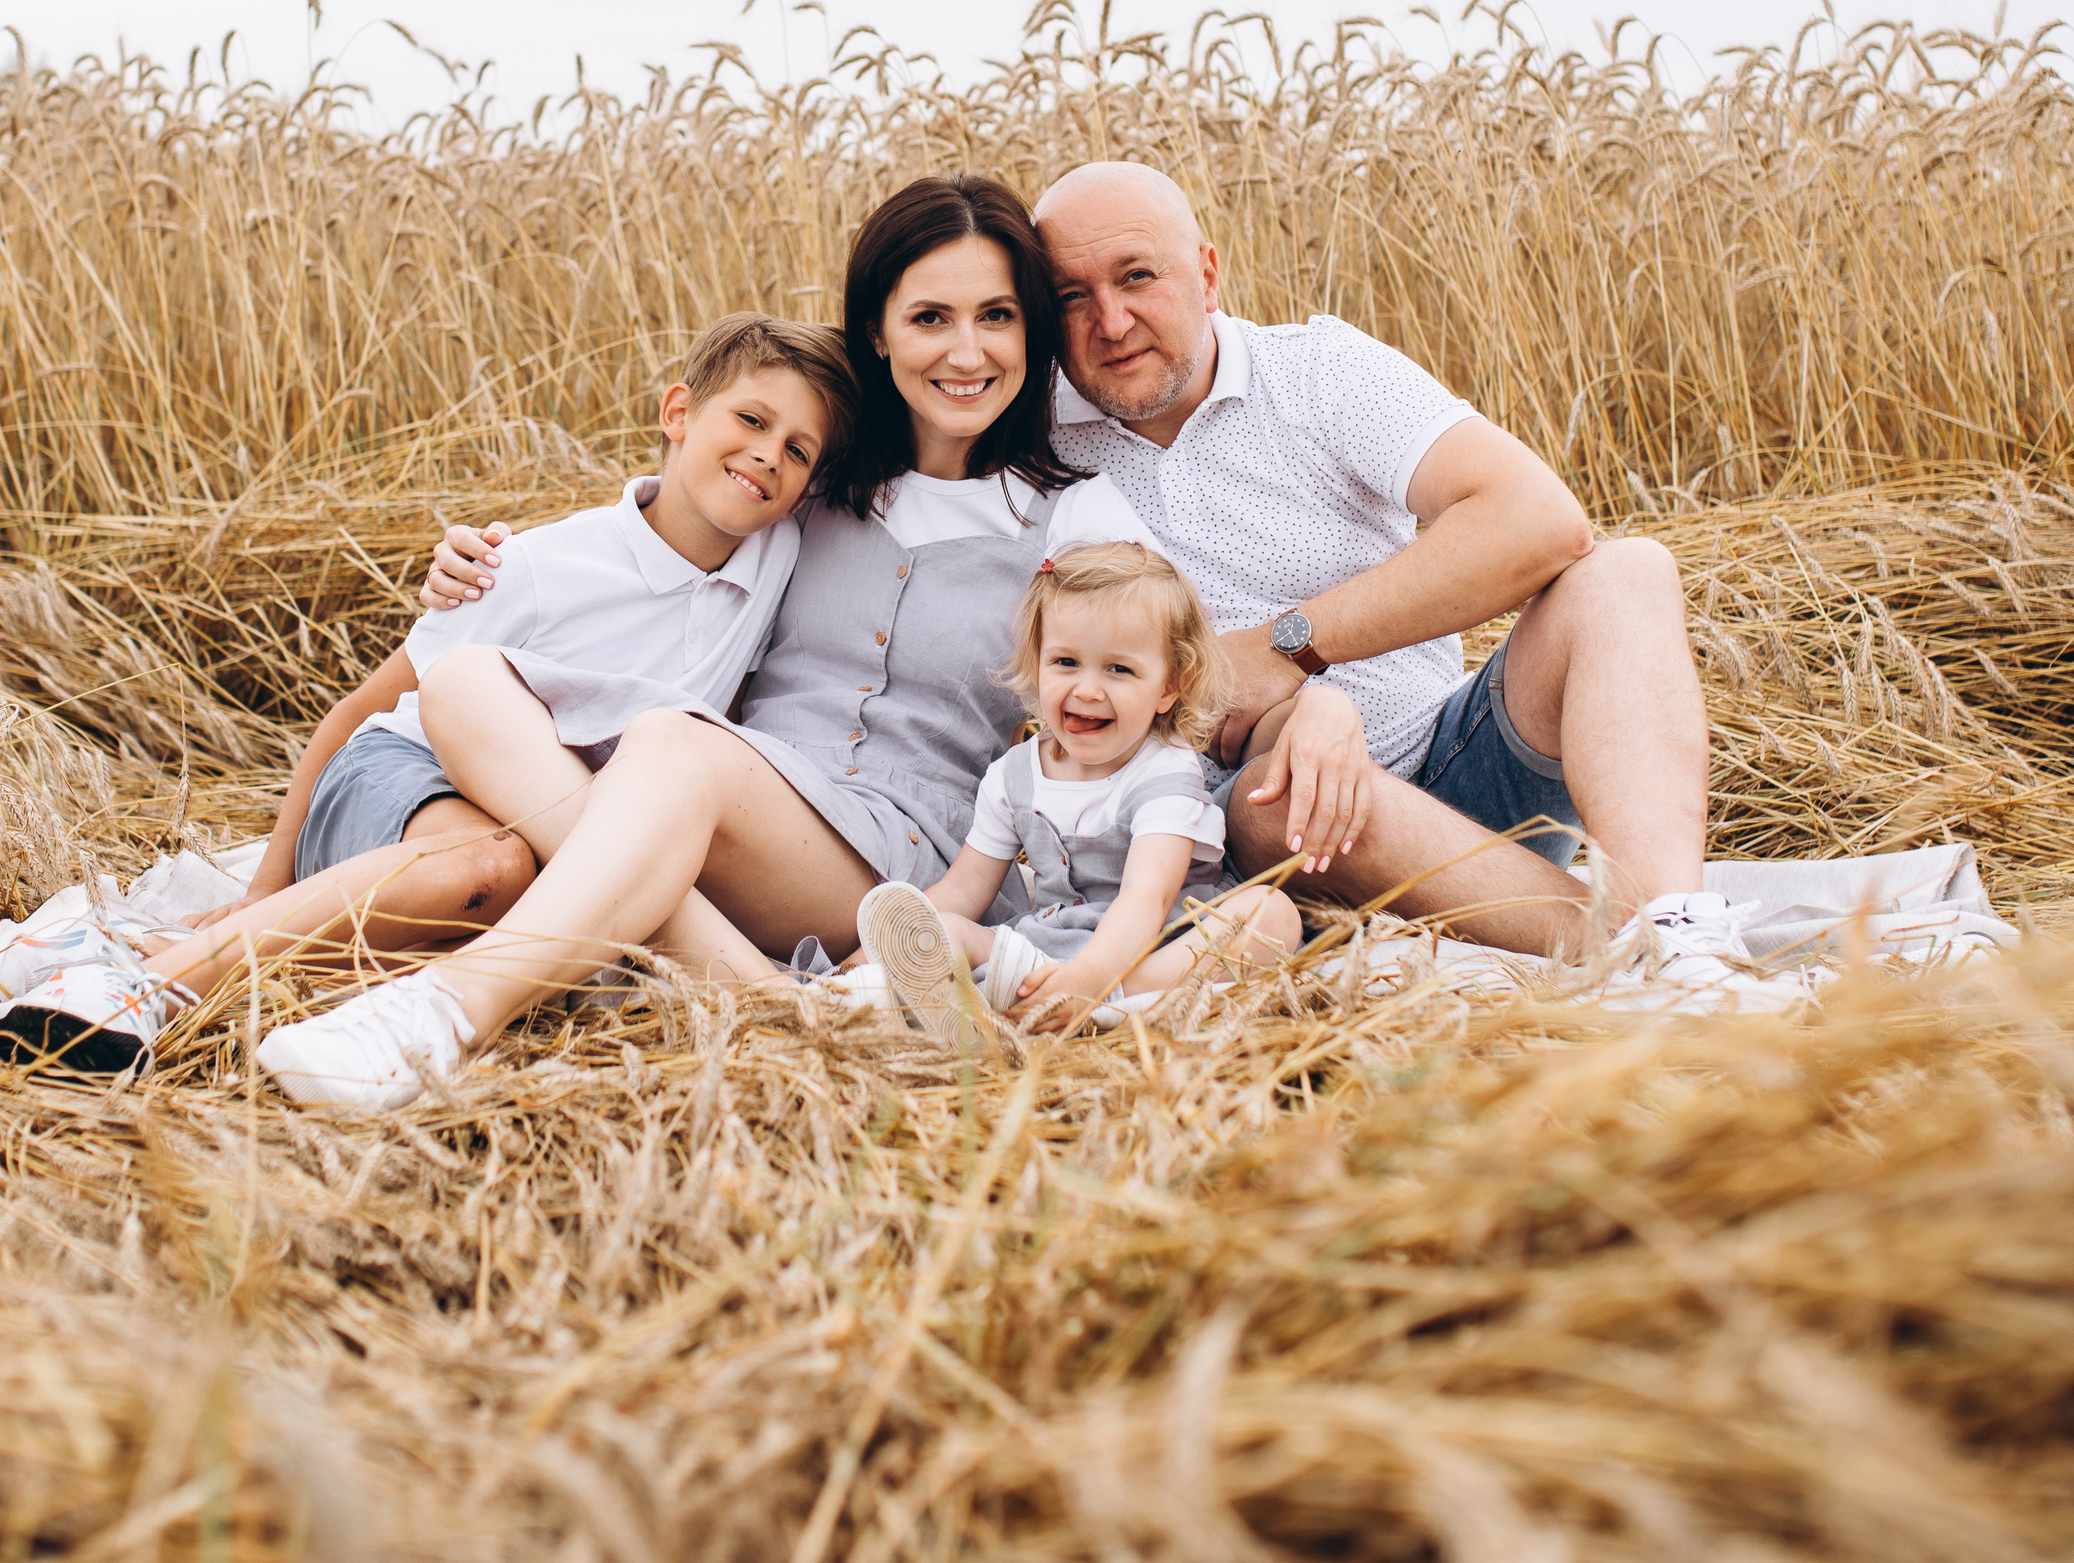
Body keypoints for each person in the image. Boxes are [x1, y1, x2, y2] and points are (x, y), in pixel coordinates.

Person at [427, 165, 1786, 999]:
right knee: (1290, 792)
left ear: (1208, 272)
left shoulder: (1319, 374)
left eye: (1138, 278)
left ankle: (1672, 919)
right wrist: (506, 562)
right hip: (1281, 795)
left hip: (1445, 741)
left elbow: (1537, 521)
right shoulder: (1039, 433)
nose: (1109, 320)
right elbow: (742, 473)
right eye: (1069, 296)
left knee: (1627, 570)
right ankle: (1615, 947)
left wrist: (1299, 657)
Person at [253, 174, 1358, 1111]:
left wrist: (1320, 698)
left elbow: (1172, 676)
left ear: (1030, 332)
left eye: (996, 317)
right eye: (930, 318)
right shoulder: (811, 481)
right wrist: (484, 564)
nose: (965, 351)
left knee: (670, 744)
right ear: (877, 331)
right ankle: (767, 1000)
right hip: (724, 805)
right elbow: (655, 538)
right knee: (465, 681)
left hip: (897, 853)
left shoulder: (1070, 517)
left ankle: (445, 1015)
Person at [0, 312, 856, 1073]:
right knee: (495, 868)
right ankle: (146, 987)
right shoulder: (537, 566)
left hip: (547, 816)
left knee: (555, 935)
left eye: (797, 451)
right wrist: (266, 884)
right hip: (405, 769)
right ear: (678, 413)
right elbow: (361, 710)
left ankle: (129, 949)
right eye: (750, 419)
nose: (766, 455)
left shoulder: (778, 558)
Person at [856, 541, 1302, 1045]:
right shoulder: (1013, 776)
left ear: (1169, 687)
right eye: (1066, 661)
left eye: (1119, 669)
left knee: (1272, 915)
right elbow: (963, 890)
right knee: (946, 930)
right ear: (1037, 664)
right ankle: (865, 993)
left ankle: (1106, 1004)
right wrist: (867, 952)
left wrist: (1089, 978)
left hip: (1157, 946)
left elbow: (1147, 896)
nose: (1087, 690)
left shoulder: (1165, 772)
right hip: (1046, 948)